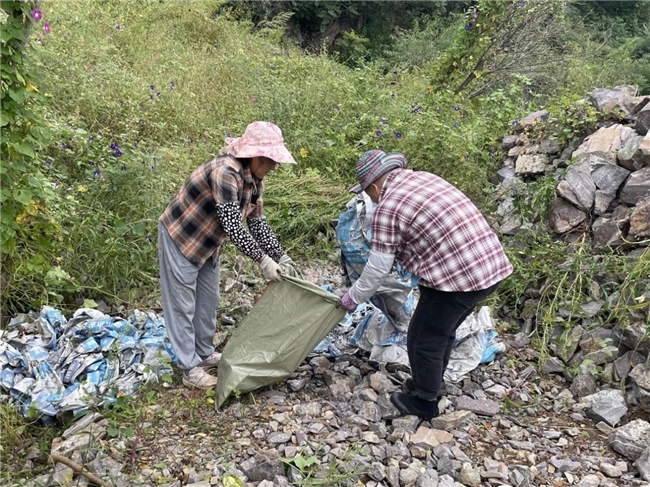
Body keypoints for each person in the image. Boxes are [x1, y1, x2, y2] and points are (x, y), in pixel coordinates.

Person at [338, 150, 513, 420]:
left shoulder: (387, 207)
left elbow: (377, 269)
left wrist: (353, 297)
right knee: (442, 329)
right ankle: (432, 382)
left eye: (367, 192)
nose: (369, 198)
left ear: (374, 186)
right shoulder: (424, 179)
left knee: (422, 338)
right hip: (489, 265)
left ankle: (425, 402)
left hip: (459, 277)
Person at [158, 121, 299, 389]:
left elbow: (257, 222)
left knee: (208, 300)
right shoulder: (226, 172)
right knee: (182, 303)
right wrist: (262, 260)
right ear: (255, 155)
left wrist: (281, 257)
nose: (273, 166)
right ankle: (189, 368)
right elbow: (233, 225)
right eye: (270, 160)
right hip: (182, 235)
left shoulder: (256, 180)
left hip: (209, 242)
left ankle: (203, 352)